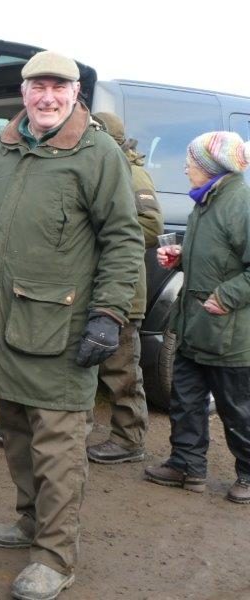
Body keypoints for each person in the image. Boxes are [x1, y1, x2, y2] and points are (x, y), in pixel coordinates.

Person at [0, 51, 143, 600]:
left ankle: (55, 555)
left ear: (74, 93)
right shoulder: (2, 151)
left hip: (63, 330)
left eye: (58, 87)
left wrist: (109, 314)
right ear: (23, 93)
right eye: (37, 87)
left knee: (58, 449)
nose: (47, 97)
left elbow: (123, 238)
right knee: (17, 434)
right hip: (7, 323)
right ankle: (30, 521)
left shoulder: (97, 153)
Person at [145, 131, 250, 504]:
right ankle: (186, 465)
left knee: (237, 410)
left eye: (191, 161)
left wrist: (227, 296)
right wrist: (181, 257)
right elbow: (216, 255)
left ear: (210, 166)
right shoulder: (205, 201)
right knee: (185, 399)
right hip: (193, 325)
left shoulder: (241, 204)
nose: (185, 167)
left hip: (229, 335)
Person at [86, 112, 163, 464]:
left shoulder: (132, 172)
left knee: (121, 370)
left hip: (125, 293)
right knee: (80, 365)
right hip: (91, 288)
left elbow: (151, 226)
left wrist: (104, 234)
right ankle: (72, 431)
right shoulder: (94, 167)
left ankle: (129, 439)